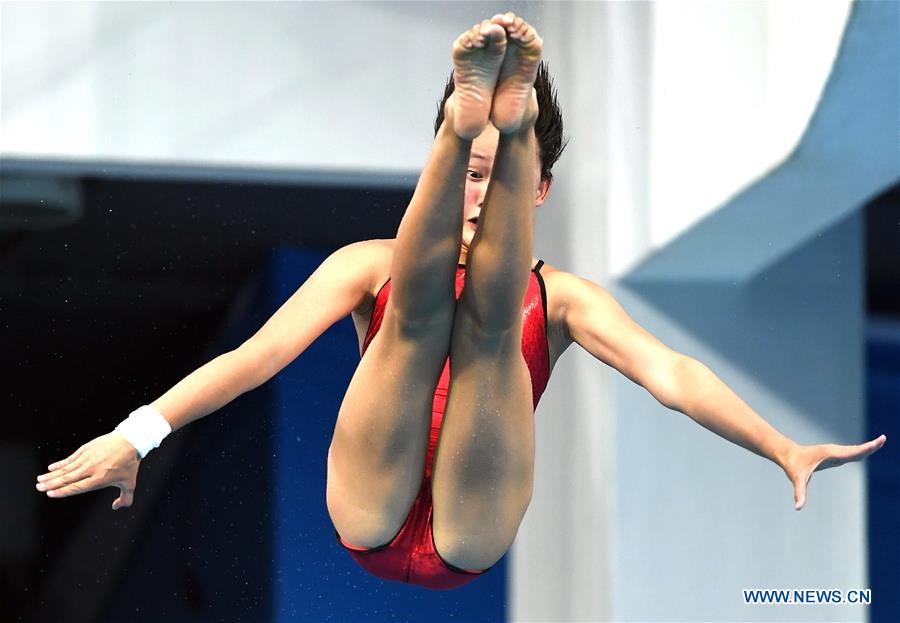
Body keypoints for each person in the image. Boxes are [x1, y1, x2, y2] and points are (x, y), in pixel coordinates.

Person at [36, 13, 886, 591]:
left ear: (538, 188)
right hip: (369, 509)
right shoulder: (368, 265)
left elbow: (670, 372)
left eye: (495, 175)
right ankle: (471, 118)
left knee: (490, 332)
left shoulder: (566, 300)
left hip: (464, 540)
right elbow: (254, 357)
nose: (476, 200)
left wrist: (778, 444)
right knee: (412, 318)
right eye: (469, 175)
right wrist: (136, 434)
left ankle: (496, 120)